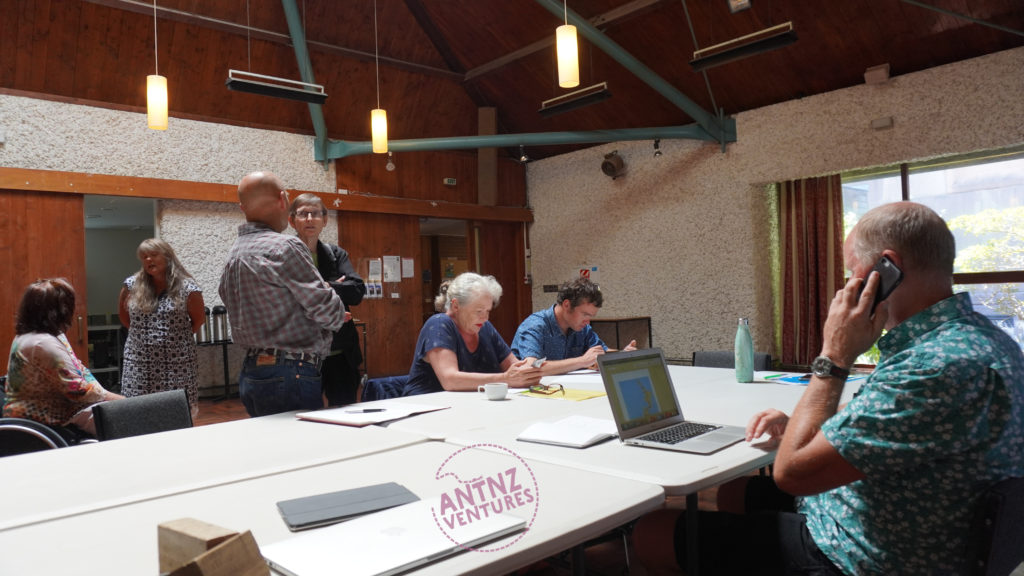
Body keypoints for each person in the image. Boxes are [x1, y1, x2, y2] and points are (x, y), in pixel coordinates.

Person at [632, 201, 1024, 575]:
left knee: (653, 532)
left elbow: (792, 474)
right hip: (923, 519)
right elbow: (897, 424)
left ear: (888, 269)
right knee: (734, 491)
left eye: (852, 271)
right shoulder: (977, 339)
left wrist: (834, 356)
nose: (847, 285)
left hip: (869, 555)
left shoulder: (931, 366)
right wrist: (802, 426)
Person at [219, 171, 346, 417]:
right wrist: (328, 289)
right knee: (303, 450)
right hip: (291, 370)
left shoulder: (234, 253)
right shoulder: (285, 246)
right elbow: (331, 314)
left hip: (252, 370)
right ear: (283, 199)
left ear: (242, 207)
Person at [4, 278, 124, 439]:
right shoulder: (41, 343)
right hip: (45, 416)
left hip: (63, 406)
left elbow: (80, 369)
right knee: (126, 420)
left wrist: (110, 397)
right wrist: (122, 401)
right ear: (60, 310)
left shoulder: (51, 335)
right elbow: (78, 390)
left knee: (123, 412)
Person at [402, 272, 542, 396]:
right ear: (456, 306)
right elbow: (450, 380)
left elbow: (514, 366)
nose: (485, 318)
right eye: (479, 311)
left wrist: (528, 371)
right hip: (427, 409)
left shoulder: (484, 327)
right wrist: (506, 378)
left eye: (488, 311)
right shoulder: (439, 324)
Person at [288, 193, 365, 406]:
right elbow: (288, 296)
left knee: (345, 412)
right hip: (301, 354)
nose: (310, 218)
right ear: (292, 220)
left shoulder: (335, 254)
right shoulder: (284, 253)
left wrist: (327, 286)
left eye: (315, 214)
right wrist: (331, 286)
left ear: (325, 220)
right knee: (304, 415)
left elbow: (357, 291)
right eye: (303, 214)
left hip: (340, 351)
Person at [118, 238, 205, 416]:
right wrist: (145, 339)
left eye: (153, 255)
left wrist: (173, 341)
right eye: (144, 256)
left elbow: (198, 320)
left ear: (167, 256)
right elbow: (125, 318)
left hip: (178, 362)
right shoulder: (131, 285)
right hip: (139, 361)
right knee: (138, 411)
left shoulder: (188, 288)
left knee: (175, 412)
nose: (148, 260)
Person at [511, 277, 636, 375]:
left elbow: (601, 352)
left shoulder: (582, 328)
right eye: (584, 315)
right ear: (566, 305)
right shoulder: (535, 325)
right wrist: (582, 361)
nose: (588, 322)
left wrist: (623, 355)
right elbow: (532, 366)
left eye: (591, 317)